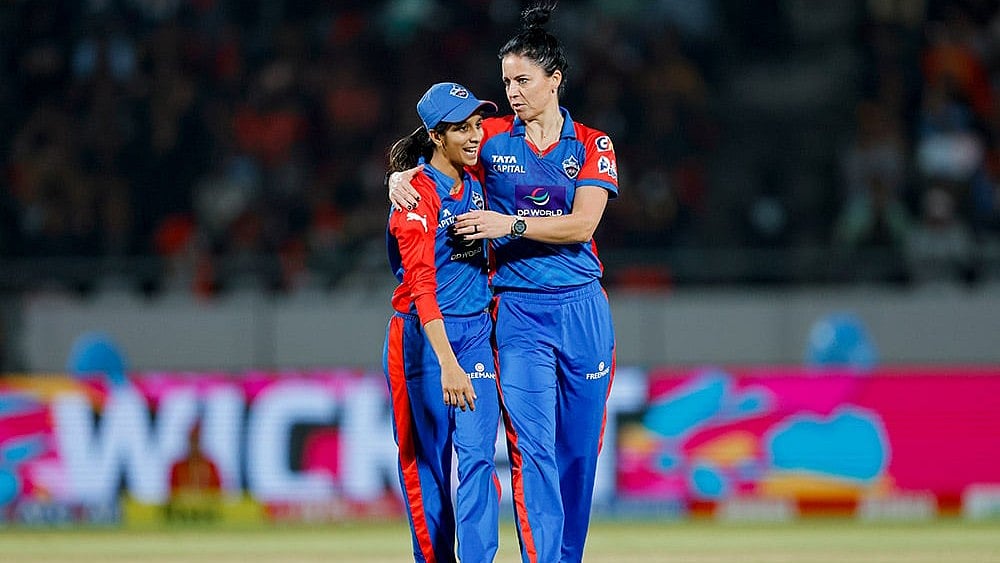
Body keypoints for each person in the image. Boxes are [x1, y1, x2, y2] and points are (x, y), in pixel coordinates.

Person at [389, 3, 619, 561]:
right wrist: (397, 175)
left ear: (554, 79)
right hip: (516, 313)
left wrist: (508, 224)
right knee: (531, 450)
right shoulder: (490, 137)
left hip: (584, 308)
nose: (512, 91)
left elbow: (584, 224)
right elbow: (435, 146)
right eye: (506, 81)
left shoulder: (593, 144)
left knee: (579, 454)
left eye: (523, 79)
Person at [381, 81, 502, 563]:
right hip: (422, 343)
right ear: (436, 135)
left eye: (477, 125)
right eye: (463, 128)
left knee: (477, 460)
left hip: (473, 336)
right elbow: (421, 287)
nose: (475, 136)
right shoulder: (413, 199)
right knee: (427, 467)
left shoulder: (477, 180)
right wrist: (448, 363)